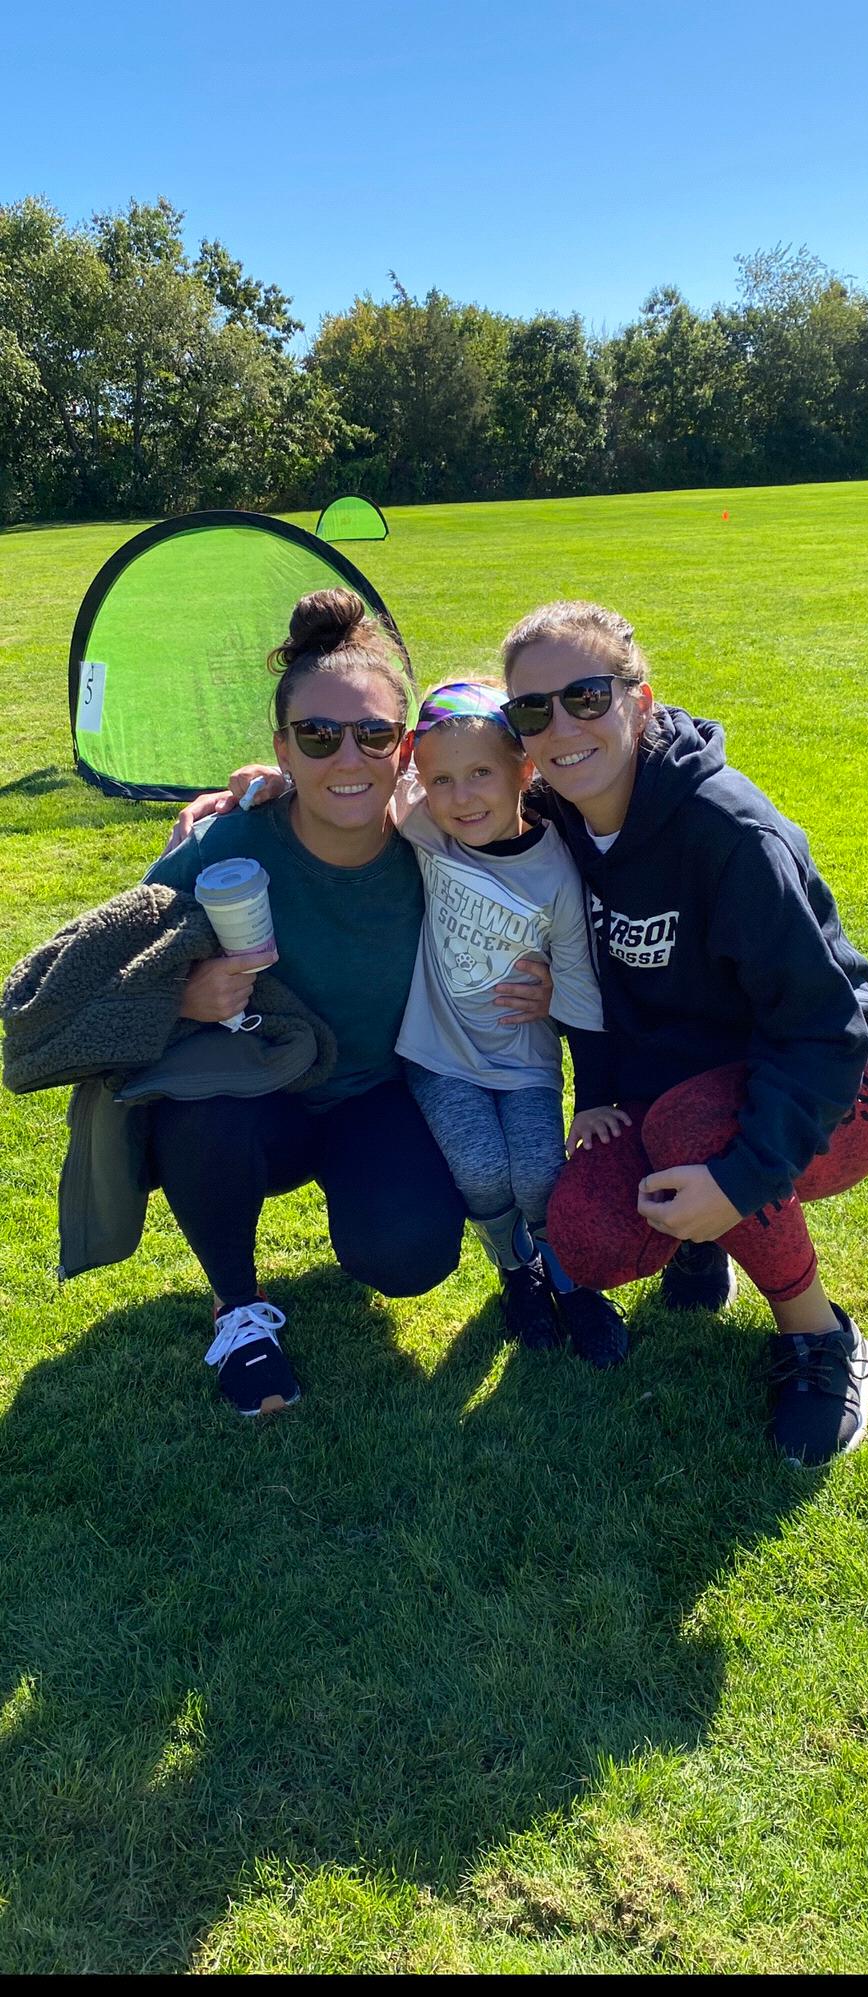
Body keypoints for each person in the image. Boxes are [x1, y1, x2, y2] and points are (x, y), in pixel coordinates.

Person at [495, 600, 868, 1465]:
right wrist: (267, 795)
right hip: (684, 1086)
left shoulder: (727, 832)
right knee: (584, 1230)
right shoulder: (558, 813)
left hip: (844, 1079)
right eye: (531, 711)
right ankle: (711, 1241)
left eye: (586, 696)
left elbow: (821, 1029)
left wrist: (742, 1179)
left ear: (640, 701)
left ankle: (822, 1337)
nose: (561, 727)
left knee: (699, 1135)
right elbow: (436, 794)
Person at [146, 589, 550, 1418]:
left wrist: (540, 972)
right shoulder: (230, 838)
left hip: (376, 1093)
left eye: (372, 735)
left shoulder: (434, 831)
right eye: (318, 736)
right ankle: (236, 1310)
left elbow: (540, 854)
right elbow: (112, 959)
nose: (347, 759)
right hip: (257, 1098)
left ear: (403, 749)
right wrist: (179, 993)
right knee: (197, 1111)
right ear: (282, 749)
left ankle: (380, 1208)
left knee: (408, 1257)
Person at [395, 680, 631, 1366]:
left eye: (479, 775)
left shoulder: (557, 867)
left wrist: (589, 1100)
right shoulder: (425, 829)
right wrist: (262, 781)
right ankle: (515, 1271)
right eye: (440, 779)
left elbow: (582, 987)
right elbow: (351, 794)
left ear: (523, 770)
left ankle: (569, 1280)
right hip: (437, 1051)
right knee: (478, 1168)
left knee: (536, 1175)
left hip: (524, 1059)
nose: (462, 798)